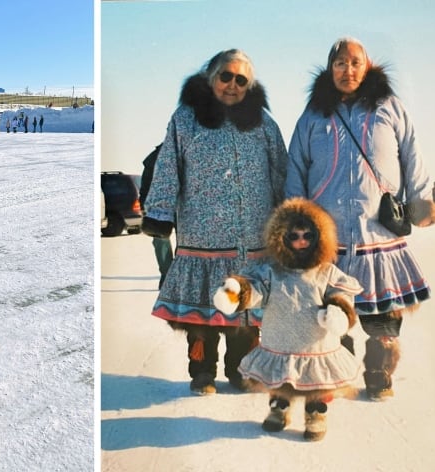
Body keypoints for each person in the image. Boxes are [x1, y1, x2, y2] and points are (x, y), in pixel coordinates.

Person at [285, 37, 435, 401]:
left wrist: (420, 200)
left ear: (366, 66)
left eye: (355, 63)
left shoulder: (390, 106)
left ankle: (379, 371)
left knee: (382, 314)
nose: (347, 70)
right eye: (340, 63)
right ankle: (340, 368)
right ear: (330, 68)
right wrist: (295, 214)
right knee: (329, 314)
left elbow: (412, 154)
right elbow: (296, 165)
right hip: (328, 235)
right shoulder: (312, 115)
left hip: (378, 231)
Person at [142, 49, 288, 395]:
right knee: (203, 312)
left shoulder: (264, 124)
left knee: (244, 312)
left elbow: (281, 171)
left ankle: (241, 371)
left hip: (253, 238)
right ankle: (202, 373)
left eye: (242, 80)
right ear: (211, 77)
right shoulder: (186, 119)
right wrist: (160, 212)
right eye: (226, 76)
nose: (233, 85)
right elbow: (167, 168)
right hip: (202, 236)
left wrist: (289, 218)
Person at [214, 198, 362, 441]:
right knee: (281, 381)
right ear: (280, 238)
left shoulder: (326, 271)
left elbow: (342, 292)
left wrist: (338, 311)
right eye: (293, 236)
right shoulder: (272, 270)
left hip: (316, 344)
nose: (301, 241)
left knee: (317, 383)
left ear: (319, 238)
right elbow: (257, 289)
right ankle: (279, 408)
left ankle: (316, 413)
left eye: (307, 236)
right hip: (280, 340)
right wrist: (237, 294)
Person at [139, 143, 173, 289]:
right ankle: (168, 277)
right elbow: (146, 182)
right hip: (161, 206)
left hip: (185, 206)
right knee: (161, 240)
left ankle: (176, 277)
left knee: (186, 244)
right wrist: (144, 204)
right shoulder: (155, 157)